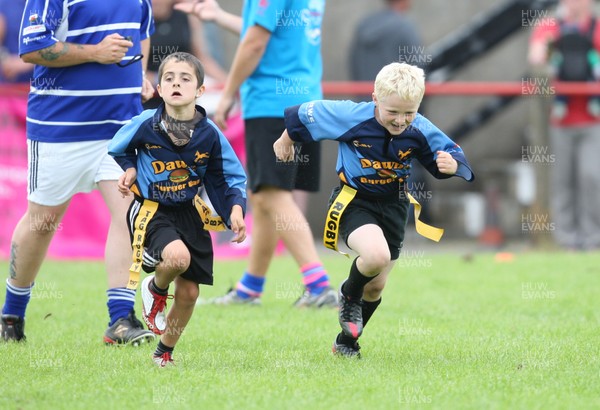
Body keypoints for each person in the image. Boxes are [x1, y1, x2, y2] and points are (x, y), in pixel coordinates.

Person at [274, 62, 475, 357]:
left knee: (377, 286)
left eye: (409, 112)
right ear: (375, 99)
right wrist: (286, 138)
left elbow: (453, 155)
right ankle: (348, 293)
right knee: (375, 256)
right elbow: (303, 114)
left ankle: (346, 342)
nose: (400, 121)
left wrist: (452, 166)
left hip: (394, 206)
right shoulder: (351, 116)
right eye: (392, 112)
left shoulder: (419, 127)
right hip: (354, 201)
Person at [0, 0, 156, 345]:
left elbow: (142, 33)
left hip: (120, 127)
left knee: (129, 213)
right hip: (60, 127)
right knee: (42, 223)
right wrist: (96, 52)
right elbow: (32, 48)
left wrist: (141, 74)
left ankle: (120, 320)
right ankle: (11, 314)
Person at [177, 0, 336, 307]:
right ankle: (250, 289)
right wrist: (220, 17)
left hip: (271, 101)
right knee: (263, 194)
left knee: (272, 194)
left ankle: (319, 286)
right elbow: (273, 31)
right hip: (306, 99)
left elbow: (255, 42)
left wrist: (226, 93)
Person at [109, 52, 247, 366]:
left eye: (185, 79)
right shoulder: (146, 123)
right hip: (151, 209)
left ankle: (164, 352)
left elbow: (229, 176)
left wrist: (235, 209)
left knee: (188, 294)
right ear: (159, 87)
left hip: (189, 212)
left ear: (200, 90)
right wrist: (130, 169)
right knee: (177, 258)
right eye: (169, 78)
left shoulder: (209, 134)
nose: (176, 84)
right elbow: (117, 147)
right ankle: (155, 286)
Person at [528, 0, 600, 250]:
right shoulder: (550, 24)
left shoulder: (597, 24)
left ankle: (593, 240)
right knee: (562, 180)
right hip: (560, 119)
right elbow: (537, 57)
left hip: (594, 119)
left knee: (591, 177)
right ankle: (567, 240)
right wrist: (548, 49)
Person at [144, 0, 227, 110]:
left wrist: (229, 84)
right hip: (149, 96)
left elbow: (202, 58)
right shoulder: (140, 20)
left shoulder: (187, 17)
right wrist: (161, 80)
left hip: (184, 98)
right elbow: (136, 70)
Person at [0, 0, 33, 83]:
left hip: (44, 82)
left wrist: (30, 62)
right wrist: (4, 59)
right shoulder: (5, 4)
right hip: (10, 84)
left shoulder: (51, 4)